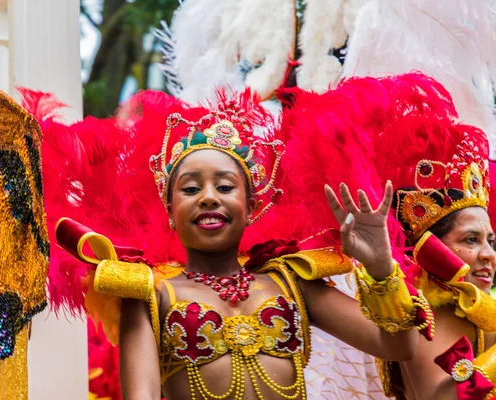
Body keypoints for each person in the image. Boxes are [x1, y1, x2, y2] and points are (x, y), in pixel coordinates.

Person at [51, 88, 433, 400]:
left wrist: (382, 268)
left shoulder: (291, 282)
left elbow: (397, 347)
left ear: (251, 207)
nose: (208, 197)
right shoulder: (151, 294)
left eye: (225, 186)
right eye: (189, 188)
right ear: (170, 211)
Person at [282, 72, 496, 400]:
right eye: (470, 240)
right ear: (429, 248)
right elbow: (436, 396)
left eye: (489, 240)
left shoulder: (476, 310)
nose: (489, 254)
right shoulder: (431, 311)